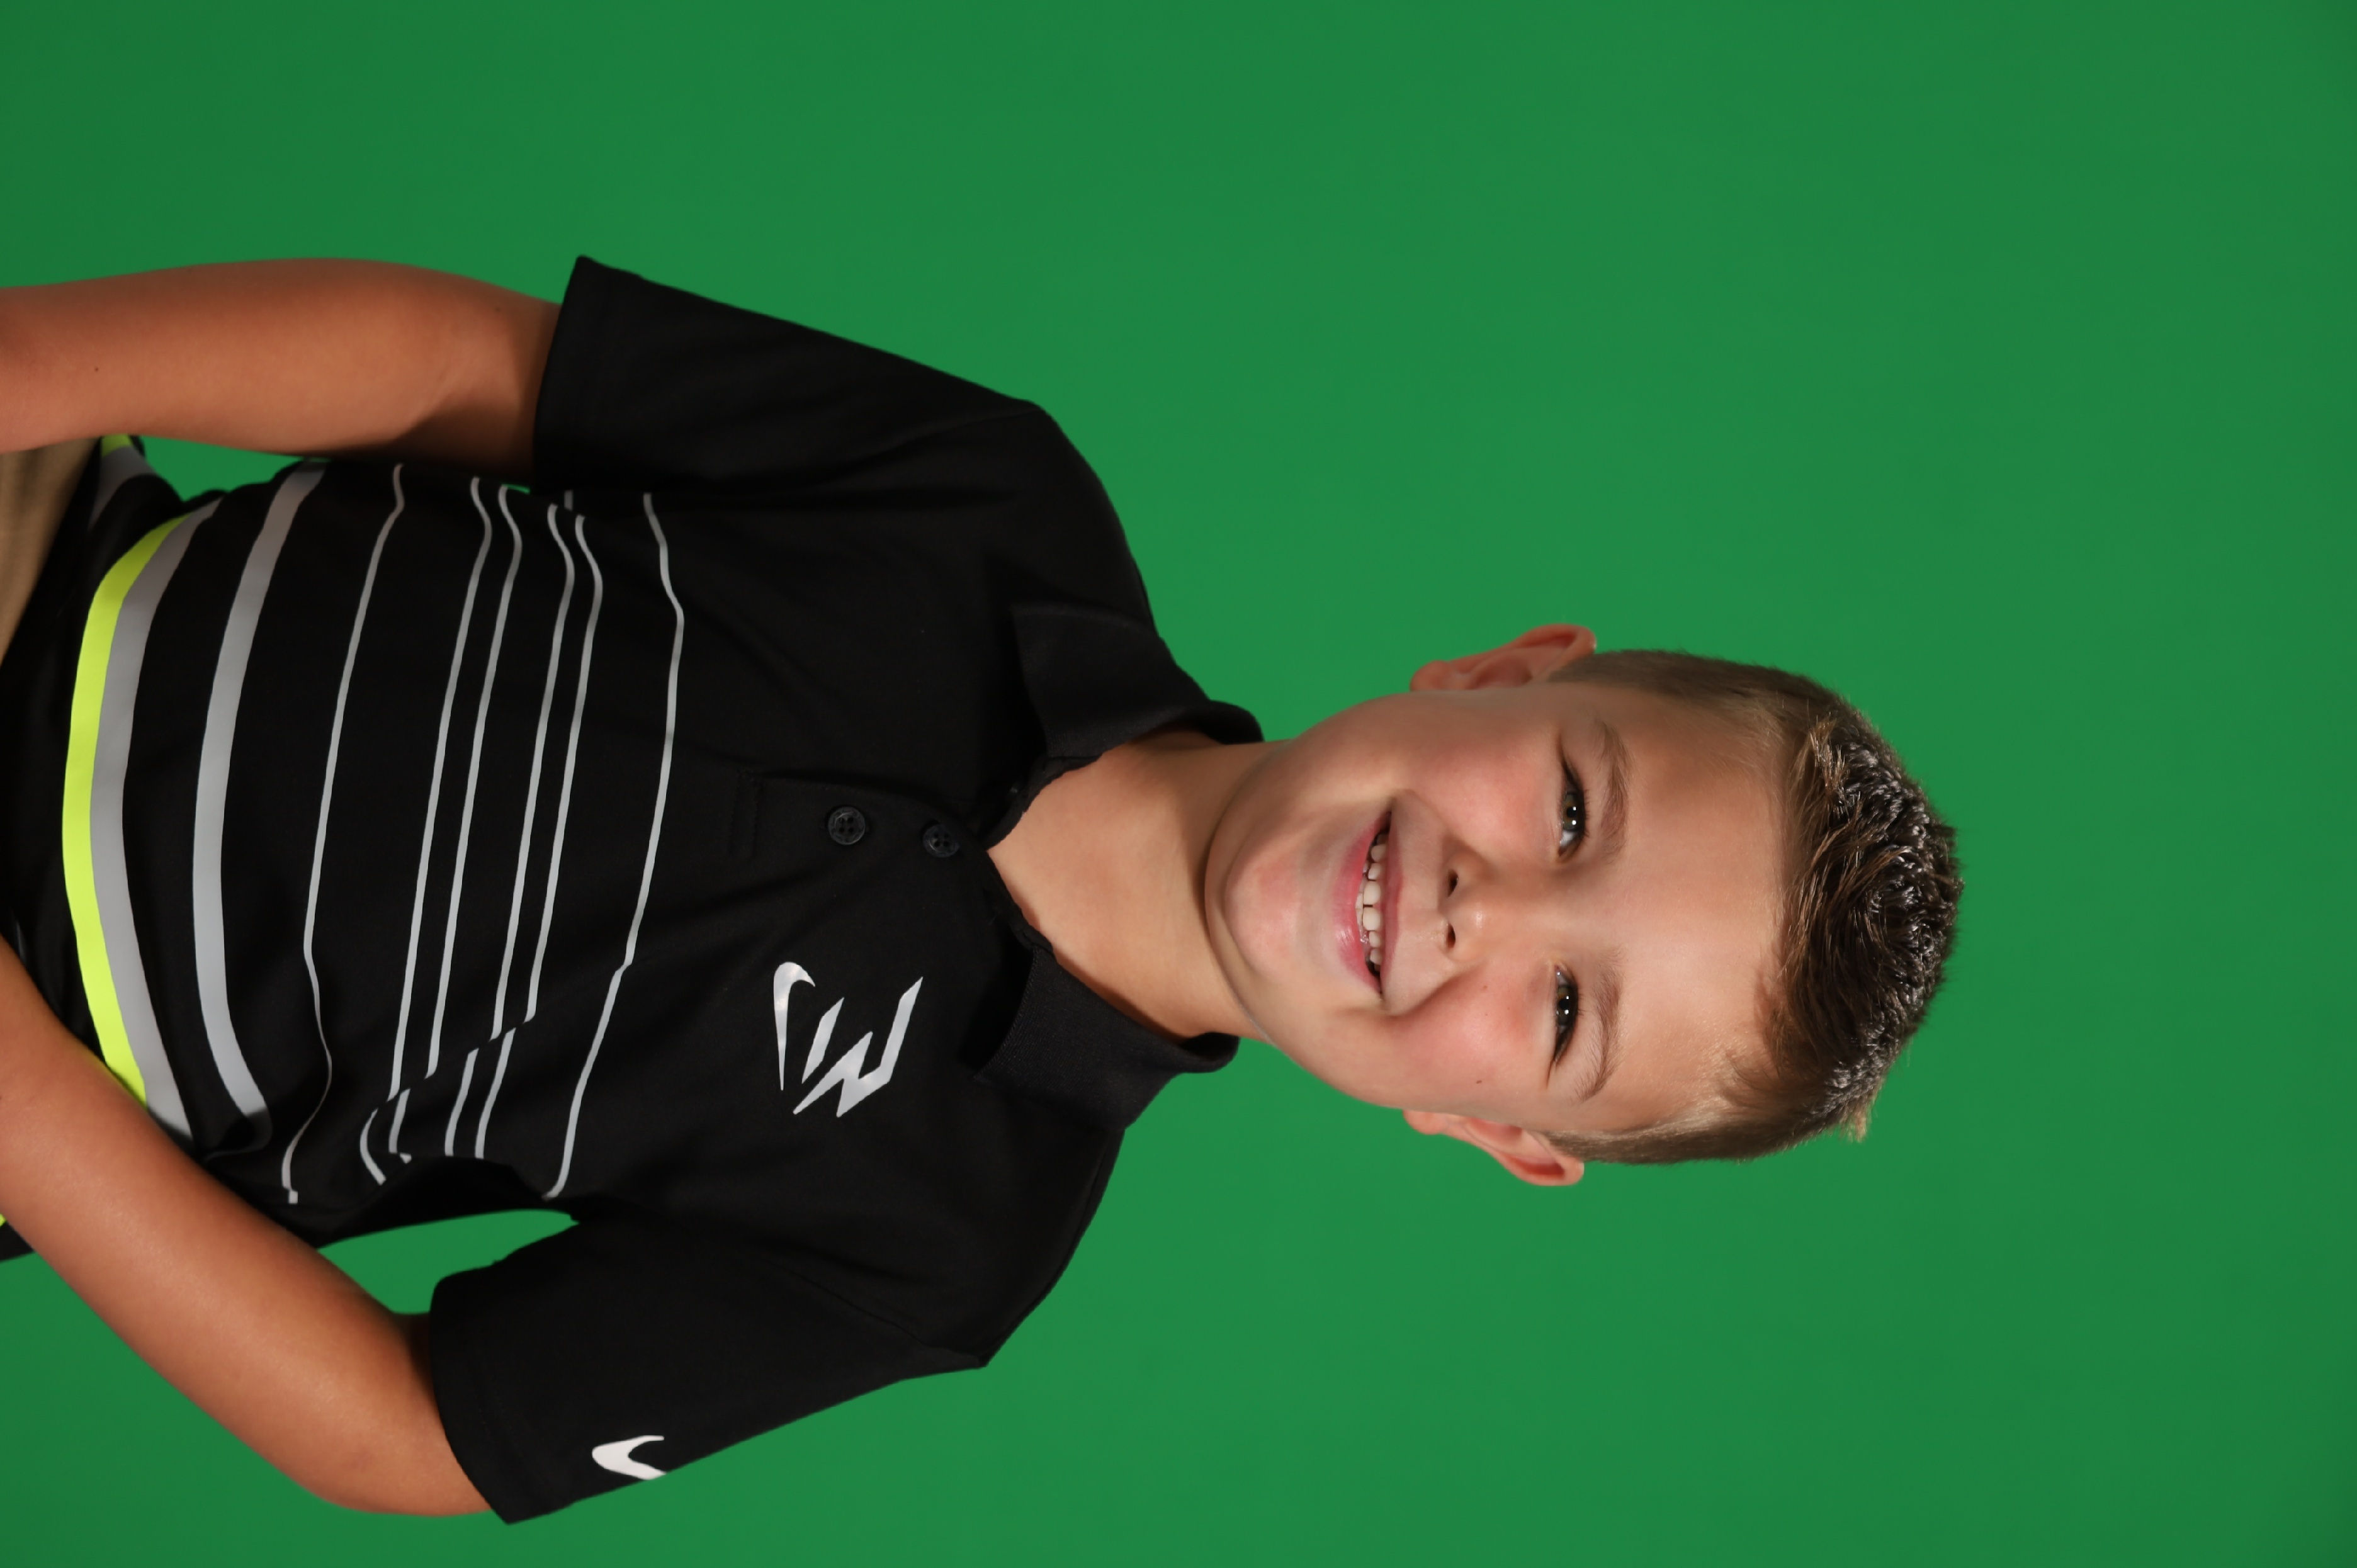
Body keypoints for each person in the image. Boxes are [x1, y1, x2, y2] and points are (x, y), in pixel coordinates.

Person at [0, 258, 1960, 1521]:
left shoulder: (946, 1240)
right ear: (1506, 671)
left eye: (1565, 1009)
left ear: (1496, 1130)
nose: (1483, 907)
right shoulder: (996, 502)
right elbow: (470, 368)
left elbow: (411, 1425)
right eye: (1572, 807)